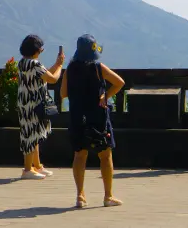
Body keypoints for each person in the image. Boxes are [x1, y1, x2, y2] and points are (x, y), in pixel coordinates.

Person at [60, 34, 124, 208]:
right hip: (98, 117)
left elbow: (63, 94)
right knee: (105, 155)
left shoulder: (70, 68)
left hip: (77, 116)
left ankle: (80, 196)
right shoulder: (98, 67)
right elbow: (119, 82)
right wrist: (105, 96)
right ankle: (108, 196)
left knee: (80, 155)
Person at [17, 34, 65, 180]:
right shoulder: (35, 64)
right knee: (31, 134)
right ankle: (27, 169)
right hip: (34, 104)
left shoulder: (23, 63)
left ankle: (36, 166)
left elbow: (44, 75)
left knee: (34, 133)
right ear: (37, 50)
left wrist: (57, 64)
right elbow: (52, 78)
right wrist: (61, 66)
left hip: (25, 103)